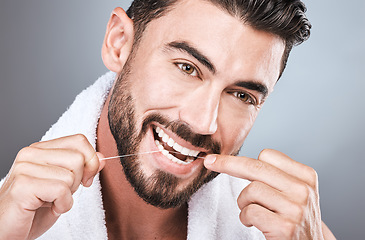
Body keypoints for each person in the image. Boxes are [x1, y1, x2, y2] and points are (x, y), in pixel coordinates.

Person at [0, 0, 336, 239]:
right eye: (187, 68)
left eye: (241, 95)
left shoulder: (291, 232)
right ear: (119, 45)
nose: (204, 122)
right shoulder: (8, 219)